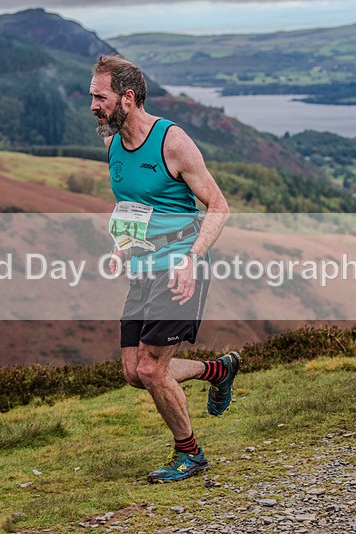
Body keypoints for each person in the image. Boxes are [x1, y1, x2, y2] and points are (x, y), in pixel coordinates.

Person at [90, 55, 240, 483]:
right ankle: (218, 370)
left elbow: (218, 206)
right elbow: (131, 203)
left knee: (152, 369)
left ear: (128, 98)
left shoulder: (172, 142)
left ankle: (190, 455)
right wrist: (120, 245)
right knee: (134, 373)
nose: (94, 106)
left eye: (100, 97)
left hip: (180, 266)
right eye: (92, 96)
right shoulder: (112, 143)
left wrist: (191, 260)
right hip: (143, 268)